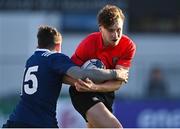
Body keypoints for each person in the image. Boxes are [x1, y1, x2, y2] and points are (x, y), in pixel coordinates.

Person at [2, 25, 128, 128]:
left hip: (15, 121)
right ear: (58, 46)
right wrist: (116, 73)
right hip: (41, 123)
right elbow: (81, 74)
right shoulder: (55, 58)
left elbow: (52, 79)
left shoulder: (31, 60)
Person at [69, 4, 136, 128]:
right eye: (111, 30)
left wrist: (94, 87)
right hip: (83, 93)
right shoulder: (88, 43)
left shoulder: (128, 46)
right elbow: (70, 73)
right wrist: (80, 82)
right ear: (101, 29)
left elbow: (117, 83)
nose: (116, 35)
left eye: (119, 29)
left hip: (106, 93)